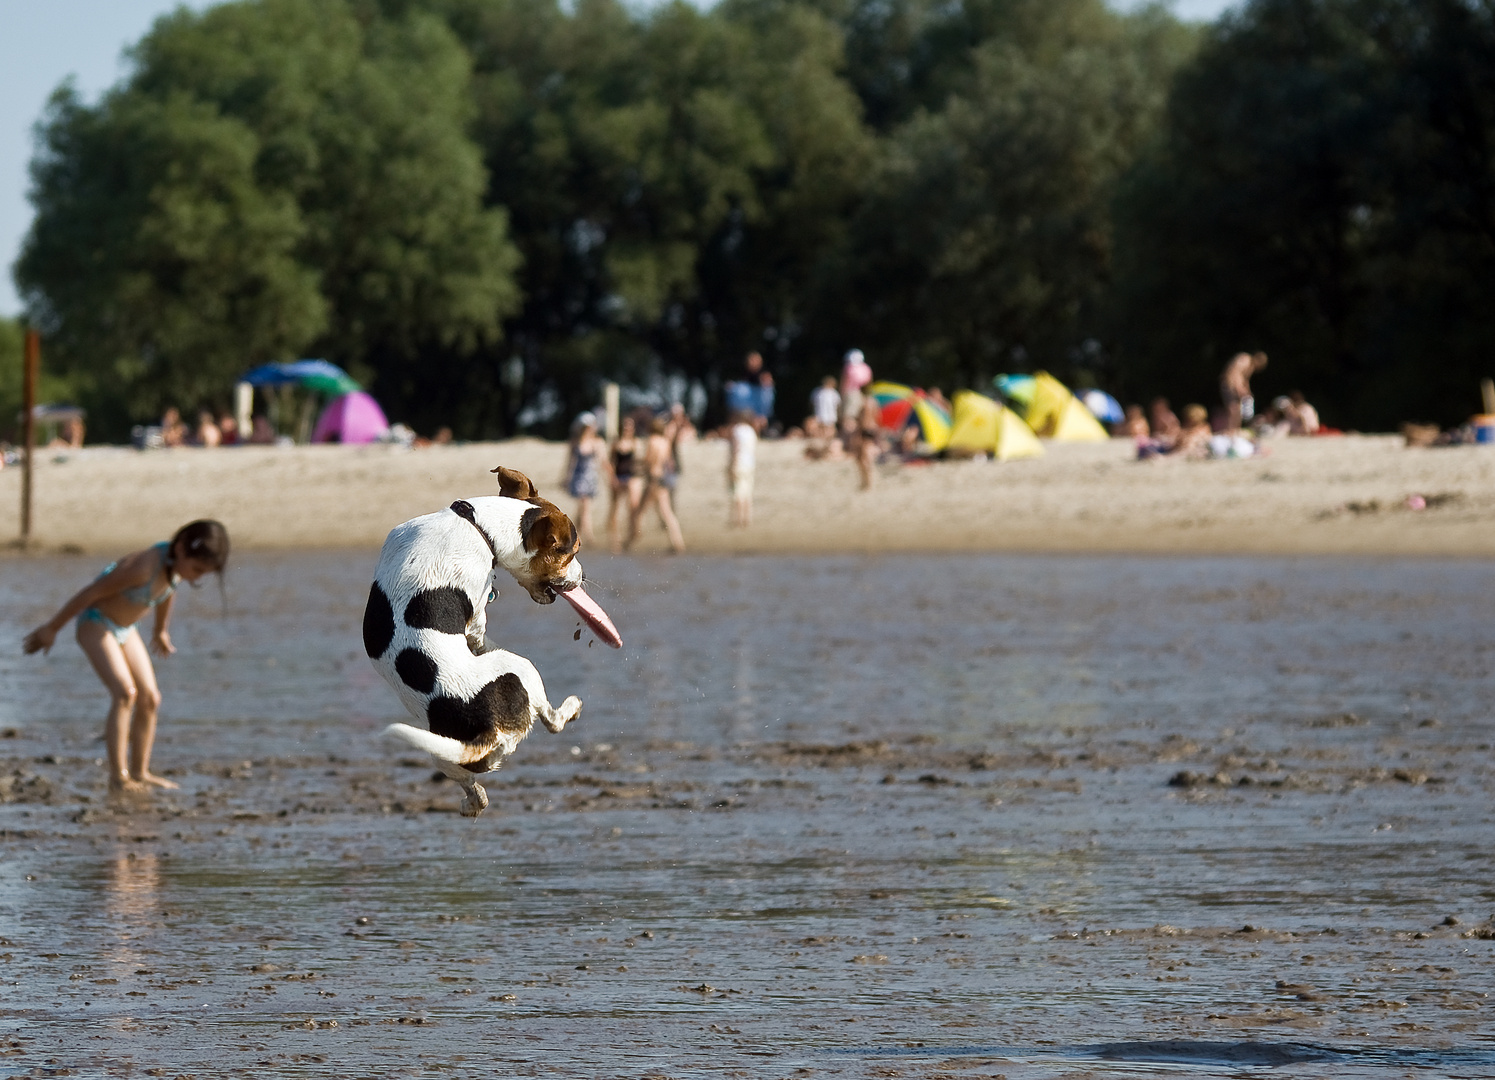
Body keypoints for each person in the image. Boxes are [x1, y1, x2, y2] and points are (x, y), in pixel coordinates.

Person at [22, 520, 230, 792]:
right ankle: (118, 777)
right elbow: (91, 592)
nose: (198, 577)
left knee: (151, 698)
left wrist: (160, 631)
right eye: (198, 569)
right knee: (125, 693)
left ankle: (140, 772)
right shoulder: (142, 568)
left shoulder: (175, 568)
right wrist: (52, 628)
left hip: (124, 628)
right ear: (180, 548)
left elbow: (168, 591)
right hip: (96, 623)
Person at [627, 418, 686, 553]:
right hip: (662, 479)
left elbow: (649, 460)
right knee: (666, 512)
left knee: (639, 511)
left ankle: (631, 539)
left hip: (653, 480)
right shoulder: (665, 442)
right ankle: (677, 542)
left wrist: (637, 463)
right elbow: (666, 461)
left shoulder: (652, 440)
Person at [563, 413, 603, 543]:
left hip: (590, 477)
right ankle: (589, 536)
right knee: (584, 505)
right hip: (579, 476)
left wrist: (610, 476)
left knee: (584, 506)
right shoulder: (575, 442)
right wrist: (566, 478)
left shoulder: (596, 442)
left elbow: (603, 461)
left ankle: (574, 534)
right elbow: (571, 462)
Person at [606, 415, 643, 553]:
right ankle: (615, 539)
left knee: (633, 506)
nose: (628, 428)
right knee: (615, 508)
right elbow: (611, 462)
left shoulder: (636, 442)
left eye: (630, 426)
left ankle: (633, 533)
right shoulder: (616, 443)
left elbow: (640, 461)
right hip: (619, 476)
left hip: (631, 477)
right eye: (626, 425)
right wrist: (612, 477)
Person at [1220, 351, 1268, 431]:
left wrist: (1247, 392)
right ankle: (1230, 430)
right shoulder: (1245, 359)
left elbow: (1245, 380)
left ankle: (1236, 429)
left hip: (1236, 387)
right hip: (1230, 385)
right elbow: (1234, 373)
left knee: (1239, 409)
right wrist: (1238, 389)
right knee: (1233, 408)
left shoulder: (1251, 366)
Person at [728, 409, 757, 527]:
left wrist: (732, 464)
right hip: (750, 464)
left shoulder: (737, 430)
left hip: (739, 463)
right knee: (748, 492)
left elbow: (736, 448)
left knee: (738, 492)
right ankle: (747, 518)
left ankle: (738, 519)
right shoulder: (751, 431)